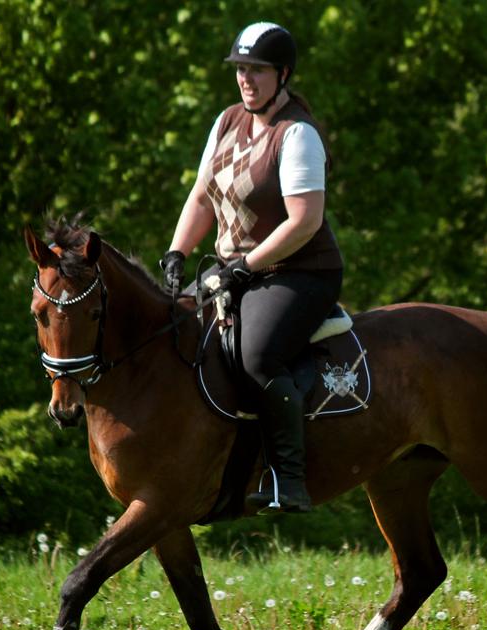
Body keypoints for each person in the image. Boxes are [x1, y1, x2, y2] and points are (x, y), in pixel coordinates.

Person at [160, 22, 344, 514]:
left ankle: (289, 478)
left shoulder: (297, 134)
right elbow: (203, 195)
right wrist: (177, 252)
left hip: (300, 272)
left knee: (255, 356)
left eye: (257, 70)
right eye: (241, 69)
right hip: (235, 270)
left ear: (283, 75)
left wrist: (244, 266)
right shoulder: (226, 122)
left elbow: (305, 222)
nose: (246, 79)